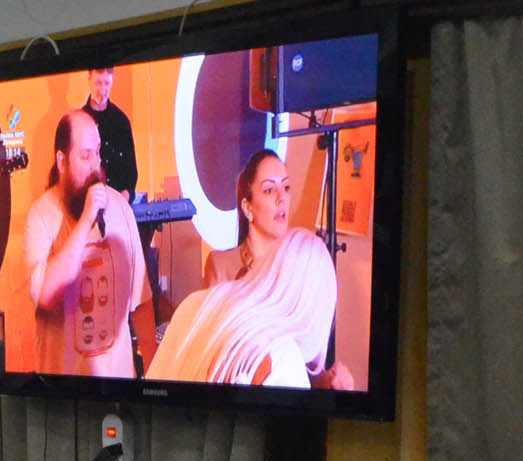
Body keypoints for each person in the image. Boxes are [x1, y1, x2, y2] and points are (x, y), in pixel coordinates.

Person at [153, 151, 347, 390]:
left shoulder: (302, 266)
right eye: (269, 190)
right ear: (247, 207)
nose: (282, 198)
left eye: (286, 188)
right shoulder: (218, 273)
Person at [25, 109, 152, 378]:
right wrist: (85, 221)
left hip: (118, 388)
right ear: (62, 161)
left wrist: (152, 374)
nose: (95, 165)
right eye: (85, 156)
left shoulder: (121, 209)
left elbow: (141, 302)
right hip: (64, 391)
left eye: (97, 153)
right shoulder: (40, 216)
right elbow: (44, 295)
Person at [83, 68, 138, 194]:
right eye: (98, 83)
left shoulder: (121, 122)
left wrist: (125, 195)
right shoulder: (80, 122)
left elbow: (131, 174)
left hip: (117, 200)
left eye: (107, 83)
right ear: (89, 81)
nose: (103, 90)